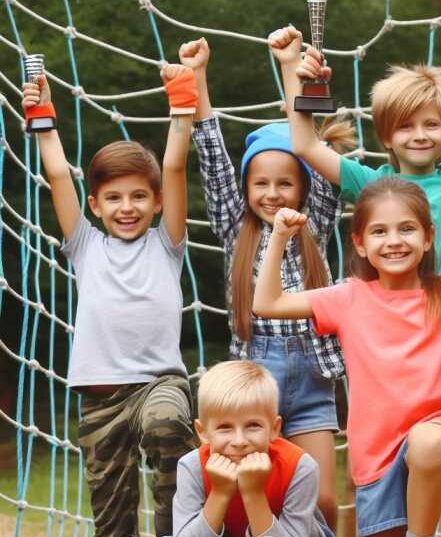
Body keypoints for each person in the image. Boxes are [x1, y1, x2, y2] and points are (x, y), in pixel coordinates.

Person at [269, 3, 441, 533]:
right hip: (385, 341)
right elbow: (303, 143)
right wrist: (292, 67)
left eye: (431, 124)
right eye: (406, 126)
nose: (420, 134)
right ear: (386, 136)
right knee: (390, 453)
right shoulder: (369, 185)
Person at [253, 177, 441, 537]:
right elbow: (267, 304)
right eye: (379, 232)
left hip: (438, 439)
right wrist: (280, 237)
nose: (394, 241)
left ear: (427, 237)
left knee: (426, 441)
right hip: (375, 458)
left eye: (407, 229)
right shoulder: (349, 298)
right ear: (360, 244)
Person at [178, 37, 356, 530]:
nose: (273, 194)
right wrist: (198, 78)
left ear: (302, 186)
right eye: (261, 183)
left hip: (314, 377)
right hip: (258, 380)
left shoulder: (313, 224)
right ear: (246, 188)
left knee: (321, 499)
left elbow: (309, 145)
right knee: (246, 489)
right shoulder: (237, 229)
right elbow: (212, 160)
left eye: (285, 183)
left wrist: (291, 71)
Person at [22, 64, 198, 536]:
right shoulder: (85, 245)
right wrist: (41, 113)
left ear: (157, 202)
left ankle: (177, 528)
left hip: (158, 384)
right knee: (112, 522)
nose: (127, 207)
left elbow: (176, 165)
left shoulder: (167, 243)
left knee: (167, 424)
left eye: (139, 196)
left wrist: (182, 104)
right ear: (95, 205)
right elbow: (58, 173)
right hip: (101, 399)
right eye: (114, 198)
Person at [173, 360, 333, 537]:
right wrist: (219, 493)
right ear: (202, 432)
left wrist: (254, 493)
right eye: (224, 427)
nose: (239, 441)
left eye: (253, 425)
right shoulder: (192, 467)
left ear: (274, 429)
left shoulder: (299, 467)